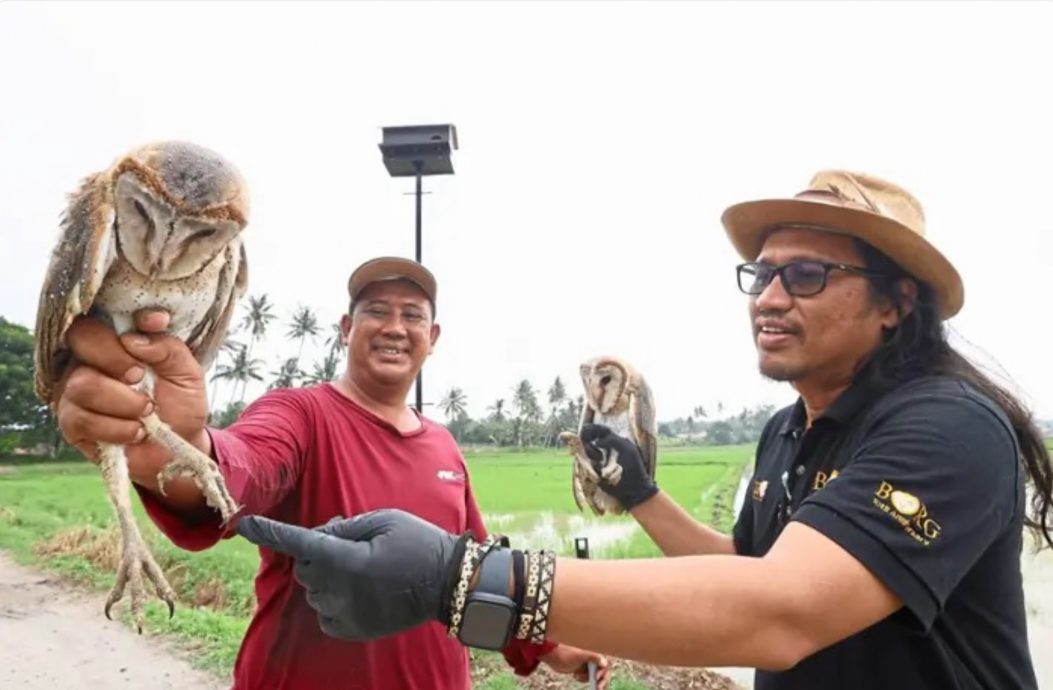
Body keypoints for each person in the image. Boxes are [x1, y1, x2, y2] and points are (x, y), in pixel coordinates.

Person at [238, 171, 1053, 690]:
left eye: (805, 275)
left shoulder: (945, 425)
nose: (769, 296)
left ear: (894, 302)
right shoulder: (786, 432)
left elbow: (778, 613)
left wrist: (465, 580)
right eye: (761, 273)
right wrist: (639, 491)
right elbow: (744, 571)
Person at [53, 255, 610, 689]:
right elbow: (241, 468)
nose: (395, 326)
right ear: (346, 327)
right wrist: (176, 450)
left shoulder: (442, 445)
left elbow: (477, 571)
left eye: (413, 315)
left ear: (432, 339)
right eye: (377, 311)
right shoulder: (299, 414)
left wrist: (549, 649)